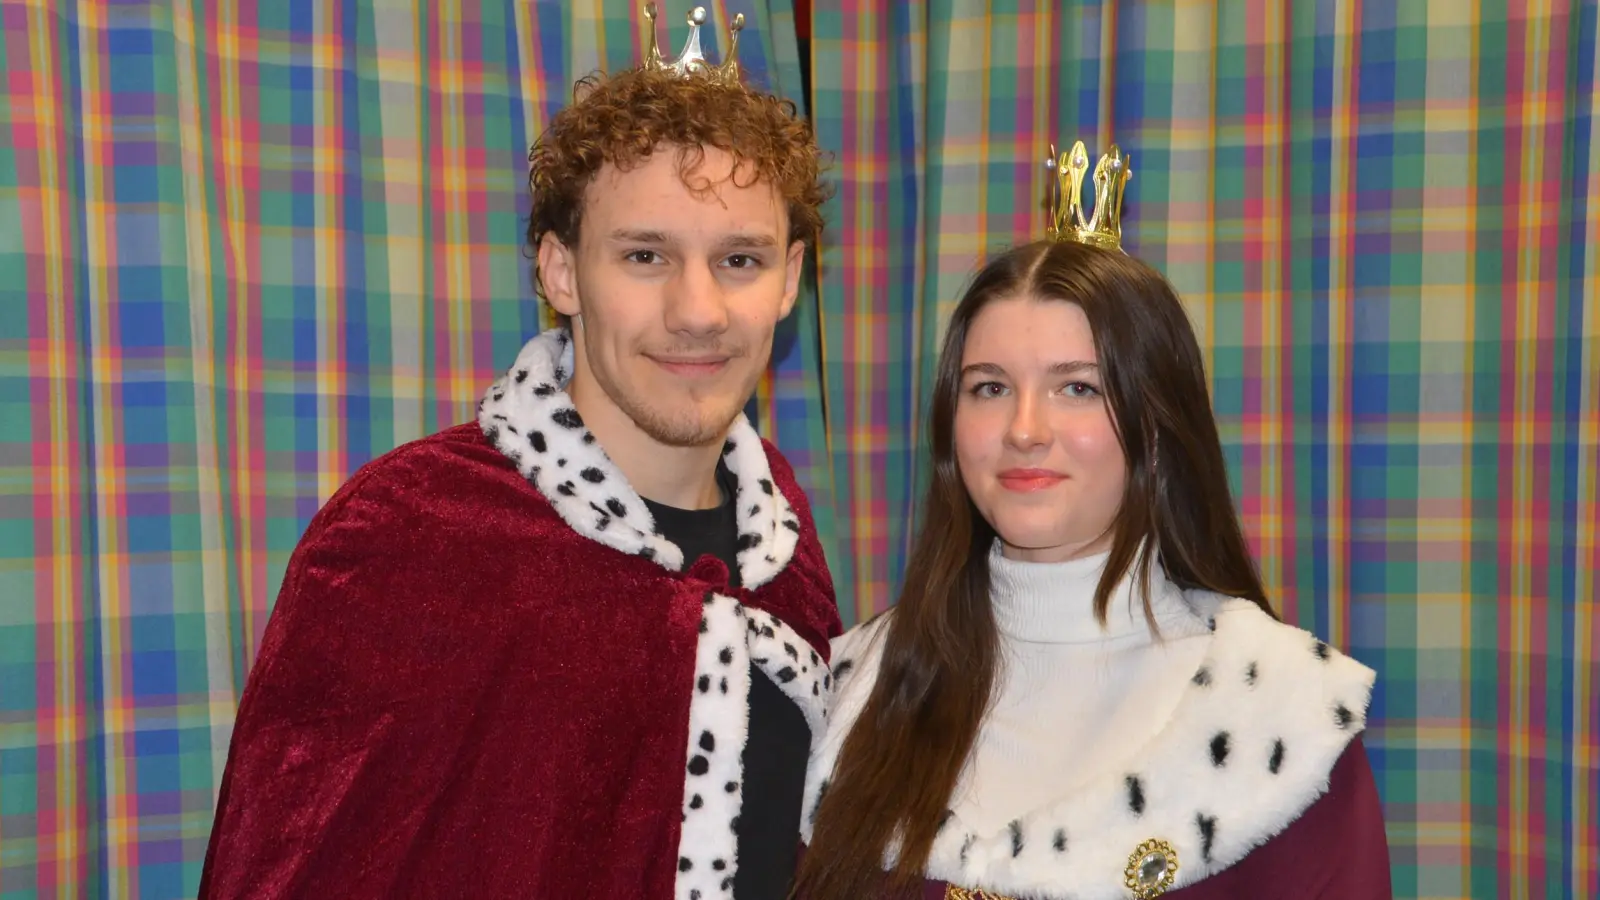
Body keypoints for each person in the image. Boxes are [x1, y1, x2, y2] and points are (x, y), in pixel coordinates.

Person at [199, 6, 840, 898]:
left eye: (740, 260)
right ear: (561, 272)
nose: (699, 311)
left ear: (790, 282)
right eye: (647, 255)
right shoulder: (408, 535)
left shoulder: (786, 541)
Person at [795, 144, 1390, 899]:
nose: (1024, 429)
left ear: (1156, 423)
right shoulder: (851, 692)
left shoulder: (1281, 716)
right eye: (988, 388)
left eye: (1077, 388)